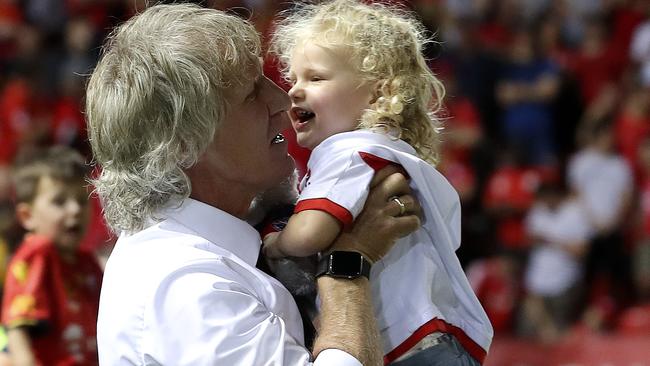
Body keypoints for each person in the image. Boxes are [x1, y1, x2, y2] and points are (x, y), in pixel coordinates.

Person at [85, 3, 421, 365]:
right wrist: (348, 260)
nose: (281, 99)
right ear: (184, 144)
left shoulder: (224, 237)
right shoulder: (185, 286)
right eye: (251, 93)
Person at [264, 1, 492, 364]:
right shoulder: (384, 149)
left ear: (377, 92)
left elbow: (309, 234)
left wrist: (274, 244)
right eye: (294, 78)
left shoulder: (350, 151)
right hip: (434, 335)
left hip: (411, 343)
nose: (293, 90)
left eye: (316, 78)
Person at [1, 146, 102, 366]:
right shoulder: (37, 254)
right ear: (27, 216)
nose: (75, 210)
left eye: (82, 200)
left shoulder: (88, 262)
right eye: (59, 201)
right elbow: (18, 327)